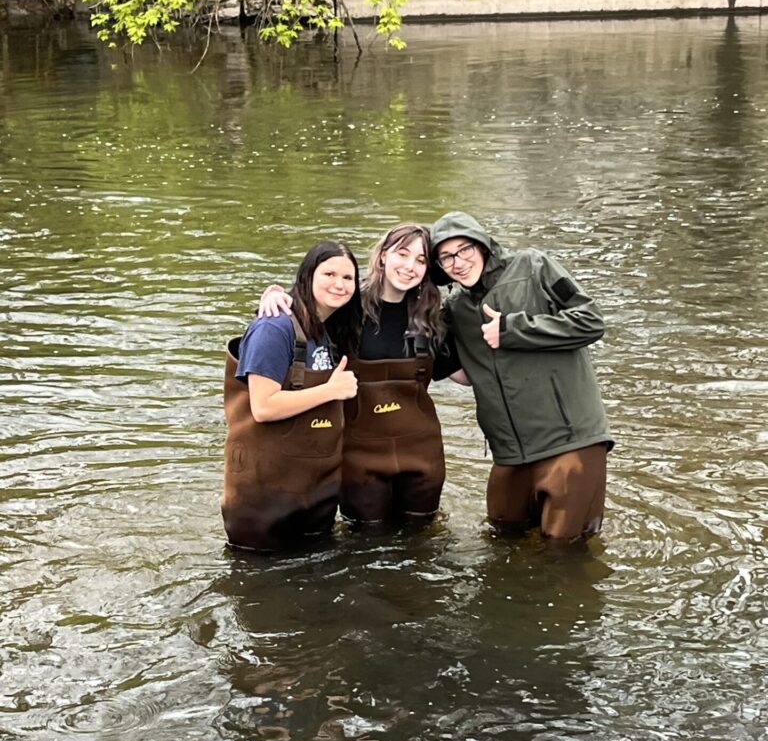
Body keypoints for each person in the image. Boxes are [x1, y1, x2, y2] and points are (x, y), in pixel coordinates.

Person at [259, 223, 466, 527]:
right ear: (383, 256)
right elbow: (303, 317)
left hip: (422, 457)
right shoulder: (346, 306)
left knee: (423, 543)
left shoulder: (433, 317)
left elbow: (466, 376)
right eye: (402, 253)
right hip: (359, 459)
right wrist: (276, 298)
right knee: (364, 546)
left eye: (421, 260)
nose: (410, 266)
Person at [430, 211, 613, 542]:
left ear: (483, 246)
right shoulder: (455, 309)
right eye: (446, 257)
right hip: (510, 453)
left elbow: (591, 321)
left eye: (465, 249)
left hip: (570, 441)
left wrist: (513, 329)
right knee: (501, 539)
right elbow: (457, 371)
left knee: (564, 554)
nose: (458, 262)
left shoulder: (534, 266)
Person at [222, 240, 362, 551]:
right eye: (329, 274)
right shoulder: (274, 327)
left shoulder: (328, 330)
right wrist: (330, 391)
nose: (339, 284)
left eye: (348, 278)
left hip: (311, 493)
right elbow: (263, 406)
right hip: (264, 499)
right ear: (308, 275)